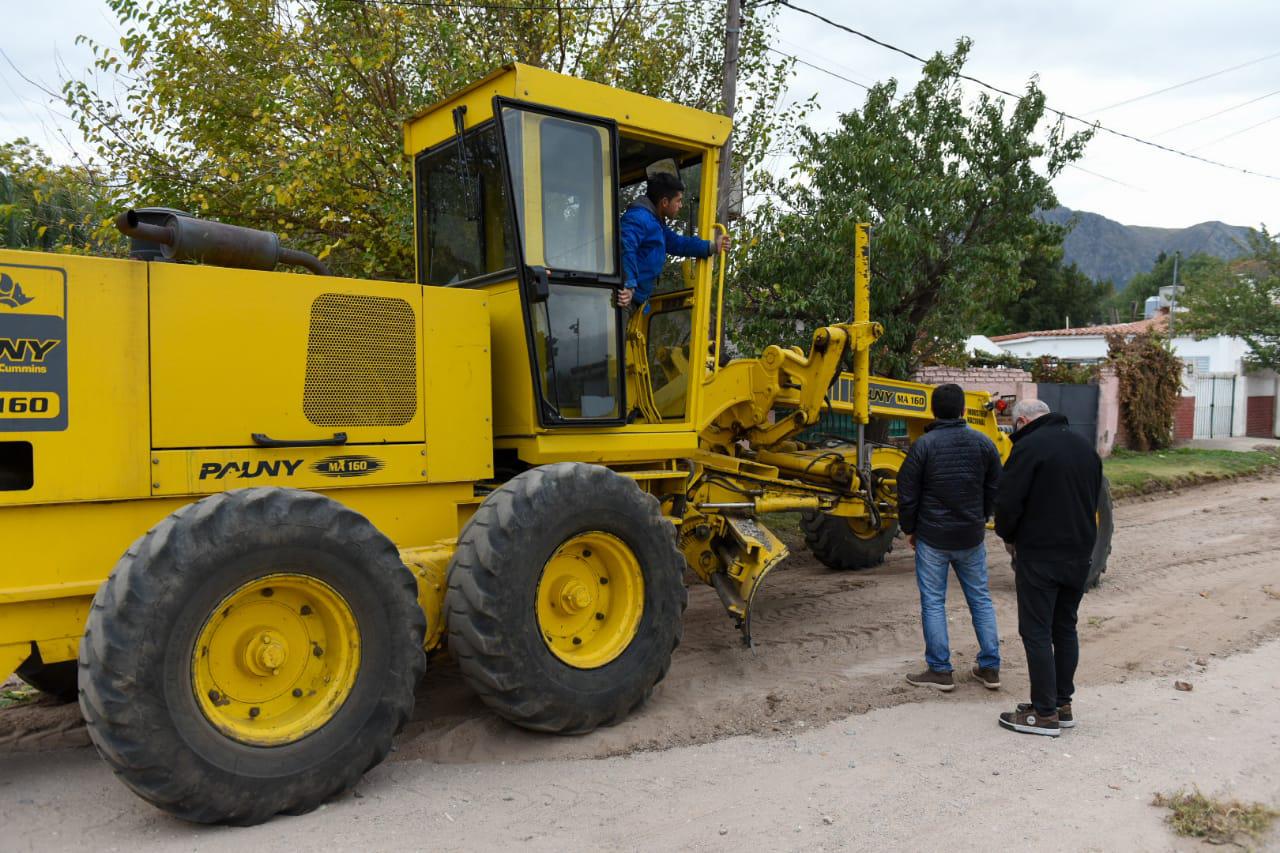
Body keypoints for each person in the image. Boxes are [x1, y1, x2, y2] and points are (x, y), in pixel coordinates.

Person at [994, 399, 1102, 738]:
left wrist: (1008, 534)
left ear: (1022, 420)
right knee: (1064, 628)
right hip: (1080, 553)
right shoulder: (1085, 447)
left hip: (1040, 555)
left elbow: (1008, 502)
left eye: (1014, 427)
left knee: (1037, 631)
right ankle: (1061, 703)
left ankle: (1043, 714)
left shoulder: (1028, 448)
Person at [897, 383, 1004, 693]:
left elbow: (907, 493)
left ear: (933, 410)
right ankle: (990, 667)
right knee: (980, 600)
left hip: (932, 537)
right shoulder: (983, 443)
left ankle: (941, 671)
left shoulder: (923, 446)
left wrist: (910, 529)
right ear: (962, 410)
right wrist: (982, 515)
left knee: (933, 602)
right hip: (971, 536)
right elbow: (995, 486)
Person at [615, 171, 730, 311]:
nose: (680, 205)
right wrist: (628, 285)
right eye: (678, 200)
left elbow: (677, 243)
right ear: (664, 202)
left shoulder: (656, 223)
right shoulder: (638, 218)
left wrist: (712, 247)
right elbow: (625, 247)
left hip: (637, 299)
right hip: (625, 298)